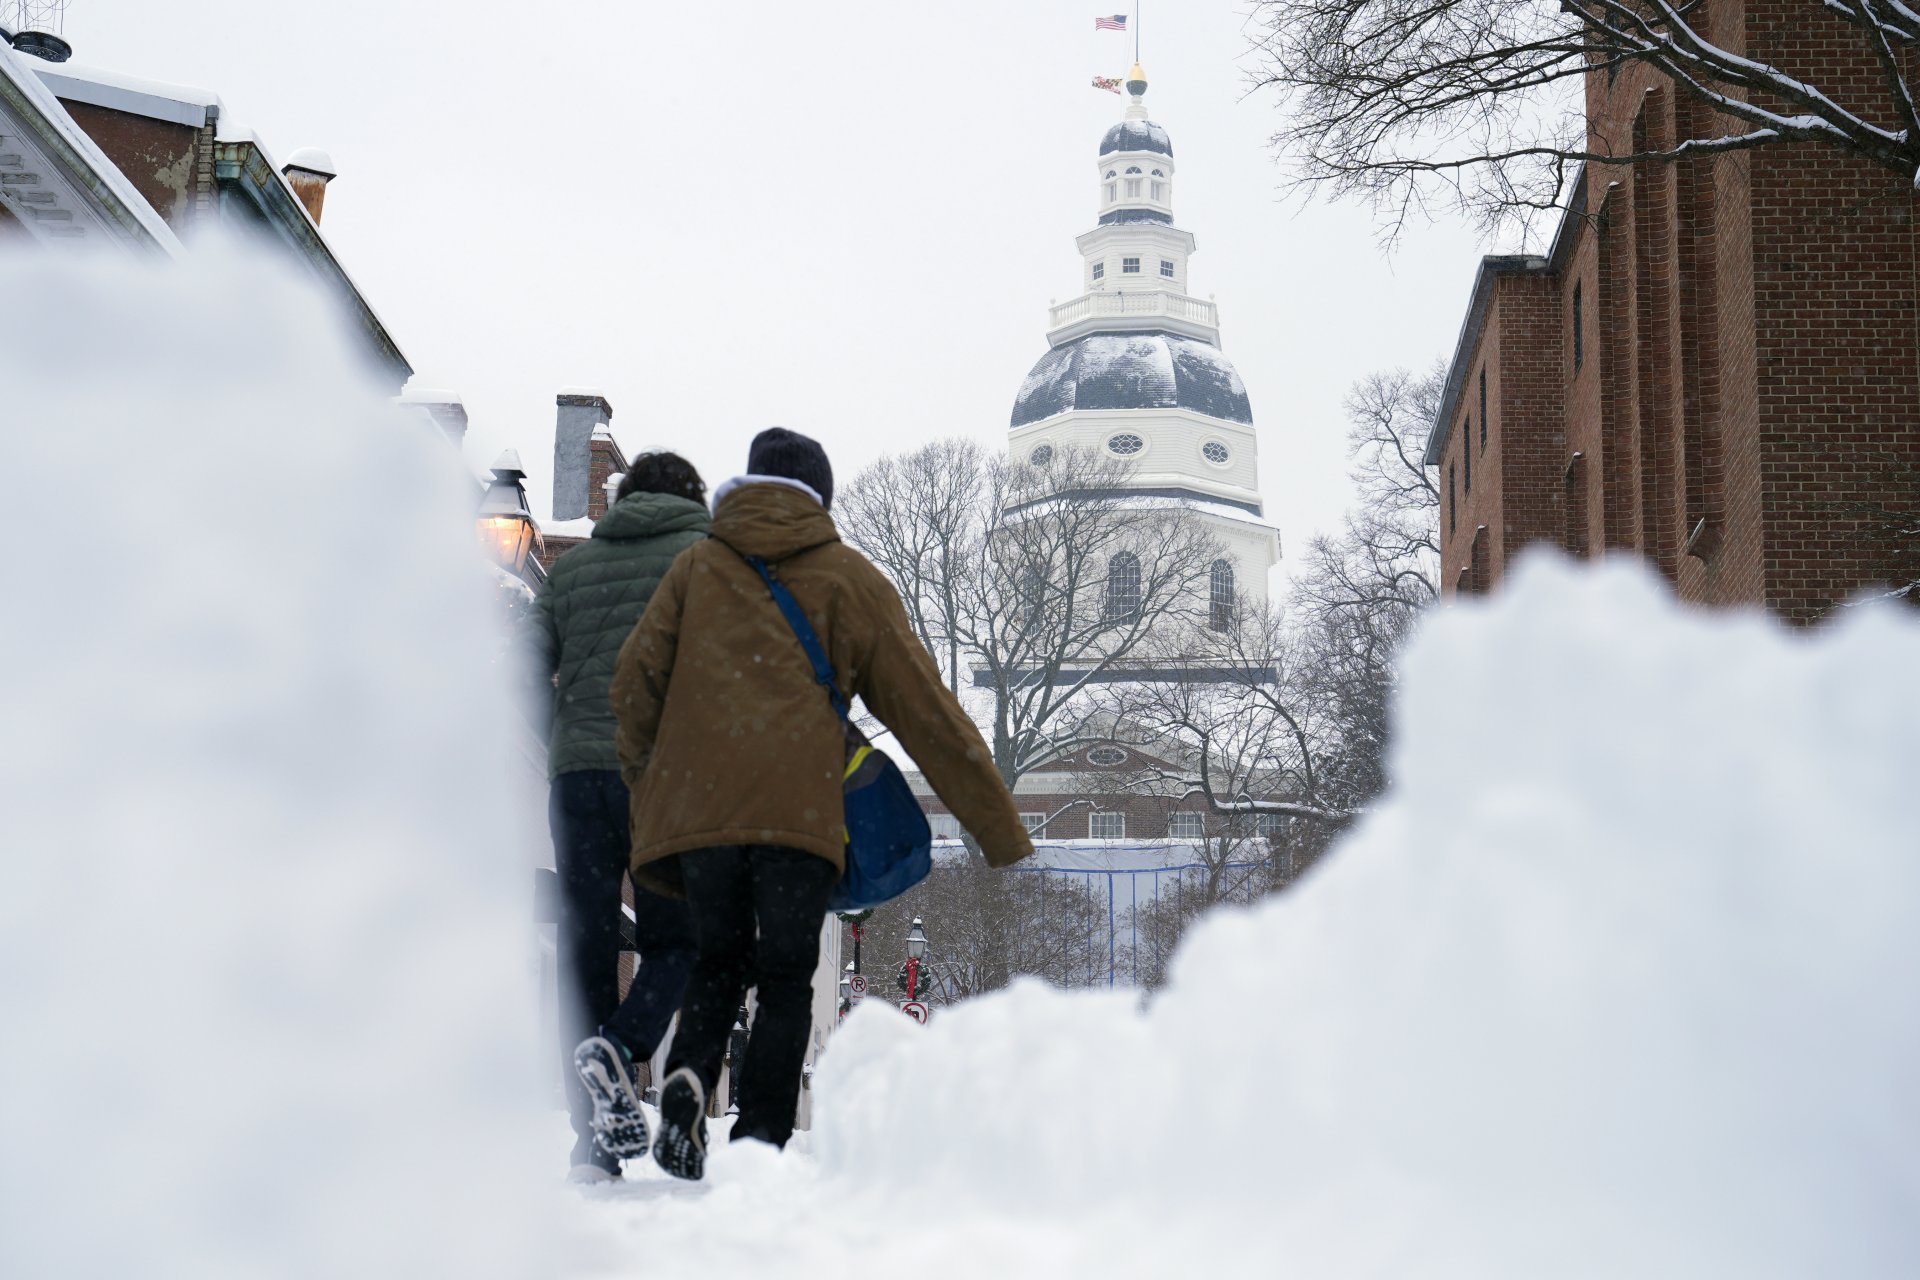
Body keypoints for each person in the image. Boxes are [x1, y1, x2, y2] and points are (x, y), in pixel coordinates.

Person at [609, 427, 1034, 1181]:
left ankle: (690, 1080)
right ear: (820, 499)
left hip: (699, 812)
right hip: (800, 822)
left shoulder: (695, 569)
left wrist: (650, 783)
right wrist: (998, 827)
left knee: (715, 961)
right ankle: (760, 1145)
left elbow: (633, 683)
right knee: (784, 976)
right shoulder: (847, 578)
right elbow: (925, 711)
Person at [530, 450, 711, 1183]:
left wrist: (562, 734)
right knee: (677, 941)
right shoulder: (706, 561)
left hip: (577, 782)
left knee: (585, 947)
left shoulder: (570, 573)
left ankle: (592, 1139)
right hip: (664, 777)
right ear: (691, 497)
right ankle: (622, 1041)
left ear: (623, 498)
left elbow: (515, 665)